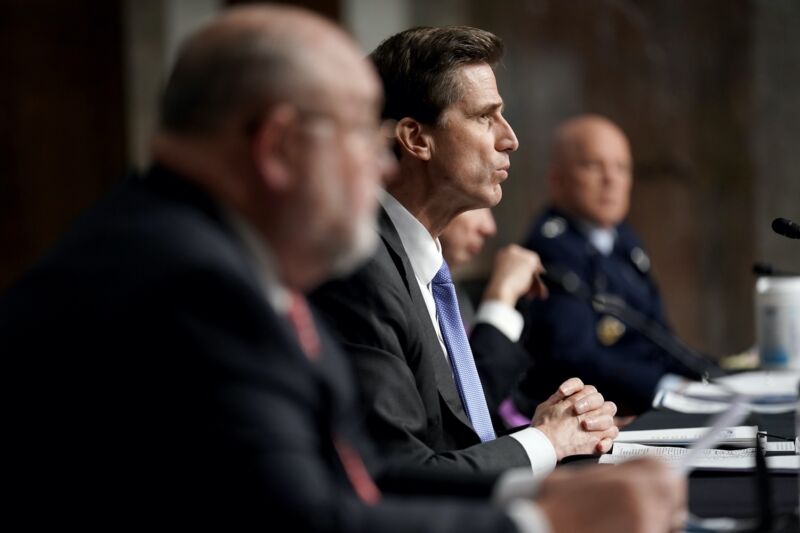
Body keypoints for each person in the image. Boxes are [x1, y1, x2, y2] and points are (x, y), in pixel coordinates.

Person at [1, 7, 687, 532]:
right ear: (277, 146)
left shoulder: (203, 251)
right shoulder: (191, 285)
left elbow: (360, 480)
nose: (381, 165)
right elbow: (314, 520)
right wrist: (542, 519)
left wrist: (537, 490)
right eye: (362, 134)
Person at [311, 26, 619, 480]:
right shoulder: (362, 272)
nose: (509, 138)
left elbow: (458, 438)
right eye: (484, 117)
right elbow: (402, 474)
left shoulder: (417, 262)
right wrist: (544, 442)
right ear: (416, 139)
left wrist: (557, 430)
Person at [510, 114, 704, 418]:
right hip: (605, 417)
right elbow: (574, 358)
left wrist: (705, 376)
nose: (611, 179)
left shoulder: (622, 238)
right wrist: (665, 386)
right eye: (593, 166)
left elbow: (660, 337)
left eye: (621, 167)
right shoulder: (552, 249)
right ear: (557, 180)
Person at [440, 208, 545, 415]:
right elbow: (465, 417)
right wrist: (501, 298)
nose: (489, 227)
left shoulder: (453, 293)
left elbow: (509, 410)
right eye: (474, 207)